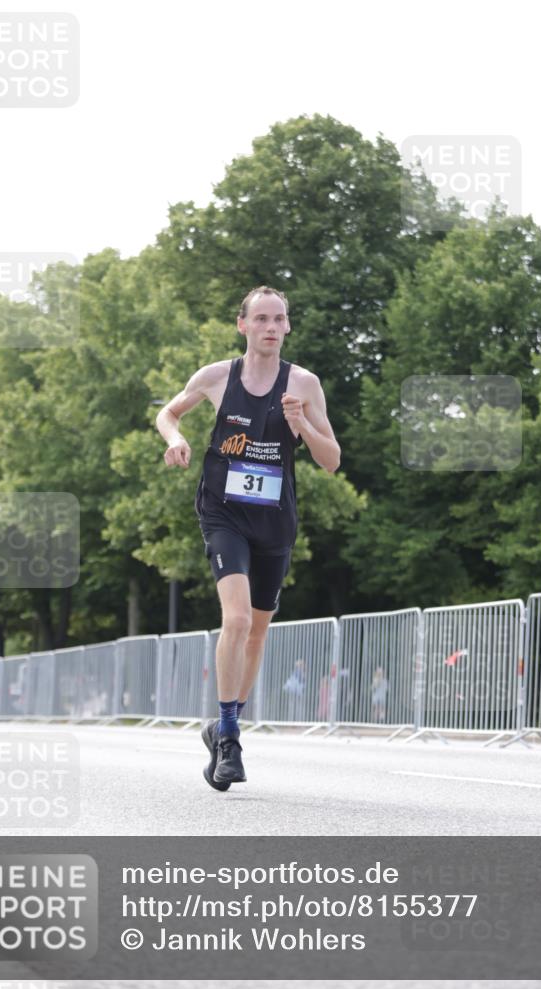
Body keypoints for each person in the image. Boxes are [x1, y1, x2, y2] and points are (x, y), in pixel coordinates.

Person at [156, 285, 341, 790]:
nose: (271, 327)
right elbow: (168, 412)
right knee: (235, 619)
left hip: (274, 520)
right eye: (261, 318)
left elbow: (332, 460)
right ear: (243, 325)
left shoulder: (303, 384)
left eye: (279, 319)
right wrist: (176, 439)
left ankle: (221, 724)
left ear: (287, 326)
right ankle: (231, 738)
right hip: (223, 514)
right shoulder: (218, 376)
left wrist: (303, 424)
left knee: (259, 631)